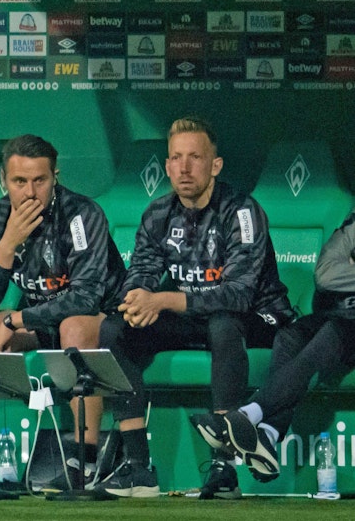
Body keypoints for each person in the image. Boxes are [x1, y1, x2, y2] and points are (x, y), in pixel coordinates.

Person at [94, 117, 295, 499]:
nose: (185, 168)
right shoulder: (157, 214)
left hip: (260, 316)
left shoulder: (242, 212)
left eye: (195, 158)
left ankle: (224, 465)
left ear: (215, 165)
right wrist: (136, 300)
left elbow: (238, 294)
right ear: (167, 165)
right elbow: (141, 272)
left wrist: (164, 299)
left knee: (223, 322)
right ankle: (138, 468)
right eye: (176, 158)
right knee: (114, 329)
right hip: (194, 316)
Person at [0, 134, 127, 495]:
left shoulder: (82, 215)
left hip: (101, 321)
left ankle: (86, 459)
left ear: (55, 178)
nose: (30, 192)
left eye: (39, 180)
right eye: (20, 181)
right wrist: (6, 246)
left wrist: (16, 320)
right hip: (41, 321)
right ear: (4, 180)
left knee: (74, 327)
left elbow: (86, 298)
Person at [191, 207, 355, 483]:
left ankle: (246, 414)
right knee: (290, 335)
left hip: (344, 325)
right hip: (340, 314)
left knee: (333, 330)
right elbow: (326, 274)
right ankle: (266, 435)